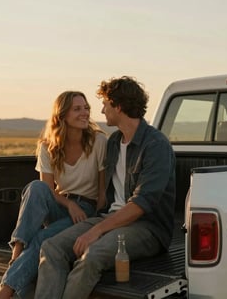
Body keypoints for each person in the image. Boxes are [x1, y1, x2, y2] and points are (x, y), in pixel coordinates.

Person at [34, 76, 176, 299]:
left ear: (118, 106)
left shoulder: (156, 144)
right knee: (51, 248)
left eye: (106, 104)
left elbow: (142, 204)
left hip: (146, 227)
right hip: (109, 218)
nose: (101, 111)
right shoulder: (112, 143)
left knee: (92, 254)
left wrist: (96, 231)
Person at [0, 91, 107, 299]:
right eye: (77, 109)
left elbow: (102, 192)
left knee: (43, 238)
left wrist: (95, 224)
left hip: (86, 211)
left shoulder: (98, 141)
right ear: (62, 115)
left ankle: (5, 291)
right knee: (36, 187)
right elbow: (47, 189)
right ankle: (17, 251)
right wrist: (70, 205)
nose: (85, 113)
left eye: (86, 108)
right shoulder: (48, 146)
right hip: (61, 205)